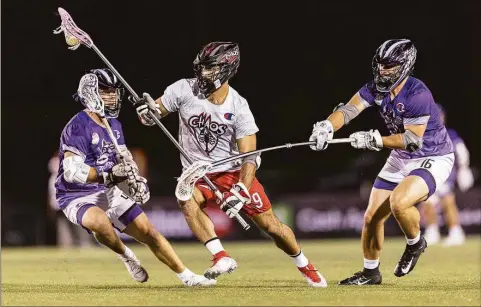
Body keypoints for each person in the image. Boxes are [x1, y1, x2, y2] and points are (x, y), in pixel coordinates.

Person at [134, 42, 327, 287]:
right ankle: (221, 256)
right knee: (186, 198)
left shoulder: (238, 106)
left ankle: (305, 264)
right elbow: (153, 114)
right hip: (198, 171)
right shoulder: (182, 89)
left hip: (233, 172)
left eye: (210, 69)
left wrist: (241, 190)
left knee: (271, 226)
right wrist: (146, 113)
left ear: (226, 69)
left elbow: (249, 156)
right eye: (202, 68)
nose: (203, 74)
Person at [309, 39, 454, 285]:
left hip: (431, 156)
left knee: (399, 202)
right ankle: (370, 273)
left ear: (405, 65)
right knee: (372, 217)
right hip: (401, 157)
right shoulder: (376, 88)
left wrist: (374, 140)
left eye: (389, 66)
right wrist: (326, 126)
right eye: (380, 65)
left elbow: (411, 140)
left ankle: (415, 242)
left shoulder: (417, 93)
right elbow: (348, 110)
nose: (382, 71)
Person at [55, 68, 215, 287]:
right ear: (90, 93)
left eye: (113, 91)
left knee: (149, 232)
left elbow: (124, 158)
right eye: (105, 91)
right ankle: (126, 255)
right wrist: (110, 174)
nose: (112, 96)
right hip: (77, 194)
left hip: (109, 188)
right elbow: (73, 172)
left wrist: (133, 181)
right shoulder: (78, 127)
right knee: (100, 223)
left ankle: (187, 276)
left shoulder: (114, 124)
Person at [421, 104, 474, 246]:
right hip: (428, 174)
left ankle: (456, 231)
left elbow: (461, 151)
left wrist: (464, 168)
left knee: (447, 202)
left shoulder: (450, 133)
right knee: (428, 203)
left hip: (445, 173)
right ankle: (432, 231)